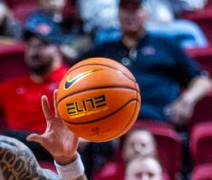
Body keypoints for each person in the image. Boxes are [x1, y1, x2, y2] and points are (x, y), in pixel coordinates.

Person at [82, 0, 211, 126]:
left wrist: (187, 99)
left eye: (135, 9)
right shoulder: (103, 51)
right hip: (114, 123)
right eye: (125, 9)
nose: (130, 15)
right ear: (118, 14)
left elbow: (203, 80)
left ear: (146, 12)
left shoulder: (165, 45)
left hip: (160, 120)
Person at [0, 14, 69, 160]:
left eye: (42, 45)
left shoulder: (70, 81)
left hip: (56, 148)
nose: (34, 51)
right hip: (15, 150)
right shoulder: (12, 86)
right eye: (31, 45)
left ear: (58, 48)